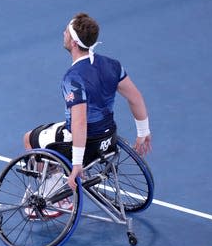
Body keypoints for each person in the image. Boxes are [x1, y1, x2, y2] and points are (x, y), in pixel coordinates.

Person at [24, 12, 152, 194]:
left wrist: (77, 164)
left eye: (66, 32)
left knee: (30, 138)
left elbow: (80, 122)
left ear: (74, 43)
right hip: (108, 138)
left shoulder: (73, 77)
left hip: (85, 145)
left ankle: (51, 189)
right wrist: (143, 132)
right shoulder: (113, 65)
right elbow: (135, 98)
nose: (63, 33)